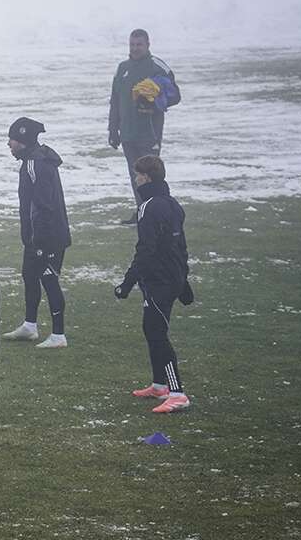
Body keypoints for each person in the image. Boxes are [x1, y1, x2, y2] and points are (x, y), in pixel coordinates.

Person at [114, 155, 194, 413]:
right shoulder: (173, 204)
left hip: (159, 281)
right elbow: (180, 246)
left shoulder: (148, 207)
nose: (136, 179)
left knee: (157, 333)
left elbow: (146, 250)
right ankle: (160, 385)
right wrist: (183, 280)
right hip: (171, 278)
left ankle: (177, 393)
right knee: (151, 329)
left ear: (146, 178)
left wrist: (127, 283)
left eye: (138, 175)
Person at [2, 118, 73, 349]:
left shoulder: (35, 164)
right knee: (29, 275)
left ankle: (58, 335)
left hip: (47, 237)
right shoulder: (33, 161)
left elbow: (43, 206)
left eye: (12, 139)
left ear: (22, 140)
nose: (9, 144)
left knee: (49, 279)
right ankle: (30, 326)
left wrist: (39, 239)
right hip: (37, 236)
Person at [108, 29, 180, 224]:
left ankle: (158, 212)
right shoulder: (122, 68)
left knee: (152, 175)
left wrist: (155, 102)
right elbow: (115, 101)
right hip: (128, 133)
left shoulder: (157, 66)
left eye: (139, 44)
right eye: (132, 44)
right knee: (136, 176)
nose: (135, 48)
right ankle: (142, 211)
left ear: (148, 45)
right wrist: (113, 129)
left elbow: (176, 95)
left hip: (149, 134)